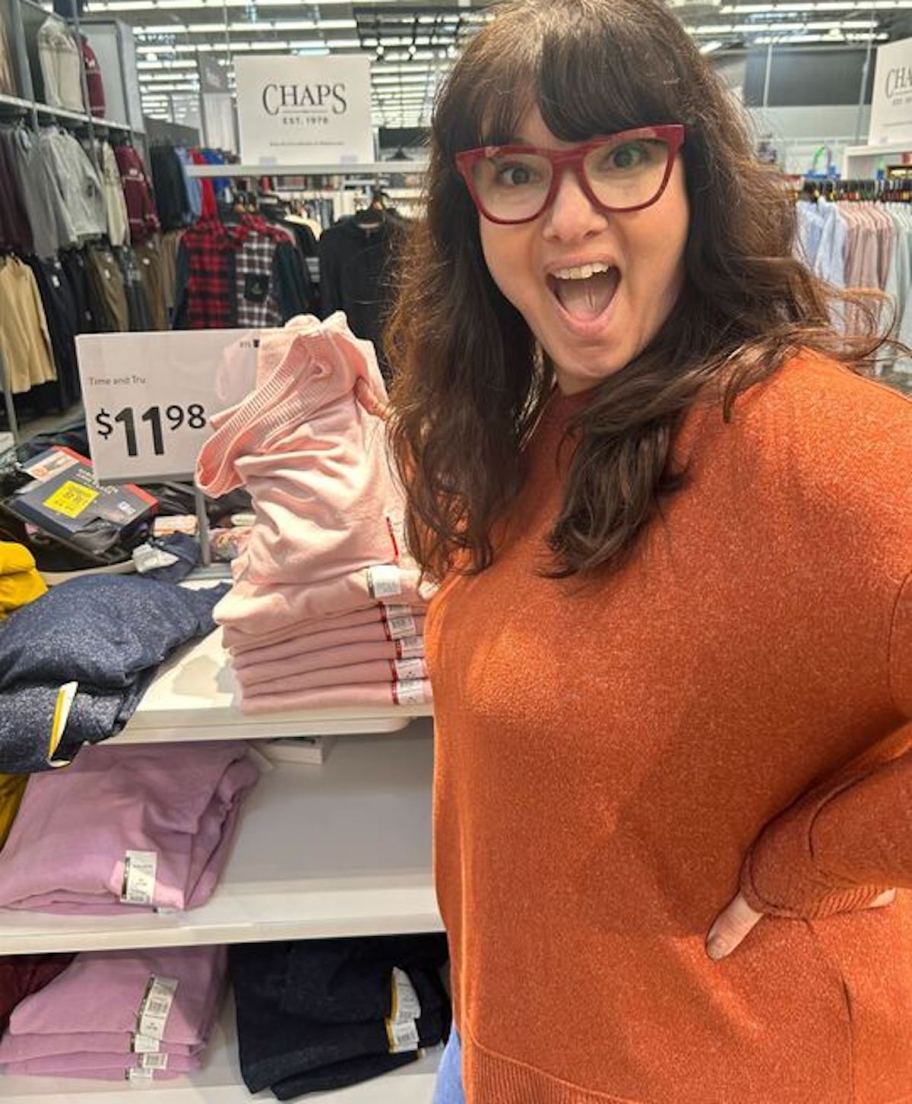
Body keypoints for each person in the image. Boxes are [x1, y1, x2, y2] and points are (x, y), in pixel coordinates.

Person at [359, 0, 912, 1100]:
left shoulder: (815, 451)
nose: (568, 220)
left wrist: (823, 858)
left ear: (696, 180)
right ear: (471, 209)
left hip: (721, 1058)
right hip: (519, 1039)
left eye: (620, 159)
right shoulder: (537, 424)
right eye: (516, 172)